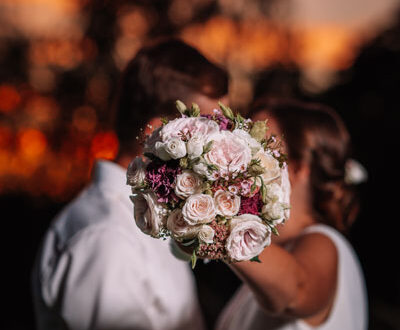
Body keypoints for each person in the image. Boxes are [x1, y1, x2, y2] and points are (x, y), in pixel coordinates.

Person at [32, 39, 228, 330]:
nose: (221, 145)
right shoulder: (108, 237)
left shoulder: (143, 218)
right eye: (209, 128)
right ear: (158, 134)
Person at [216, 98, 368, 330]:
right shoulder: (274, 258)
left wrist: (211, 222)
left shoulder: (324, 242)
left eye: (254, 147)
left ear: (295, 170)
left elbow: (296, 292)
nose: (237, 159)